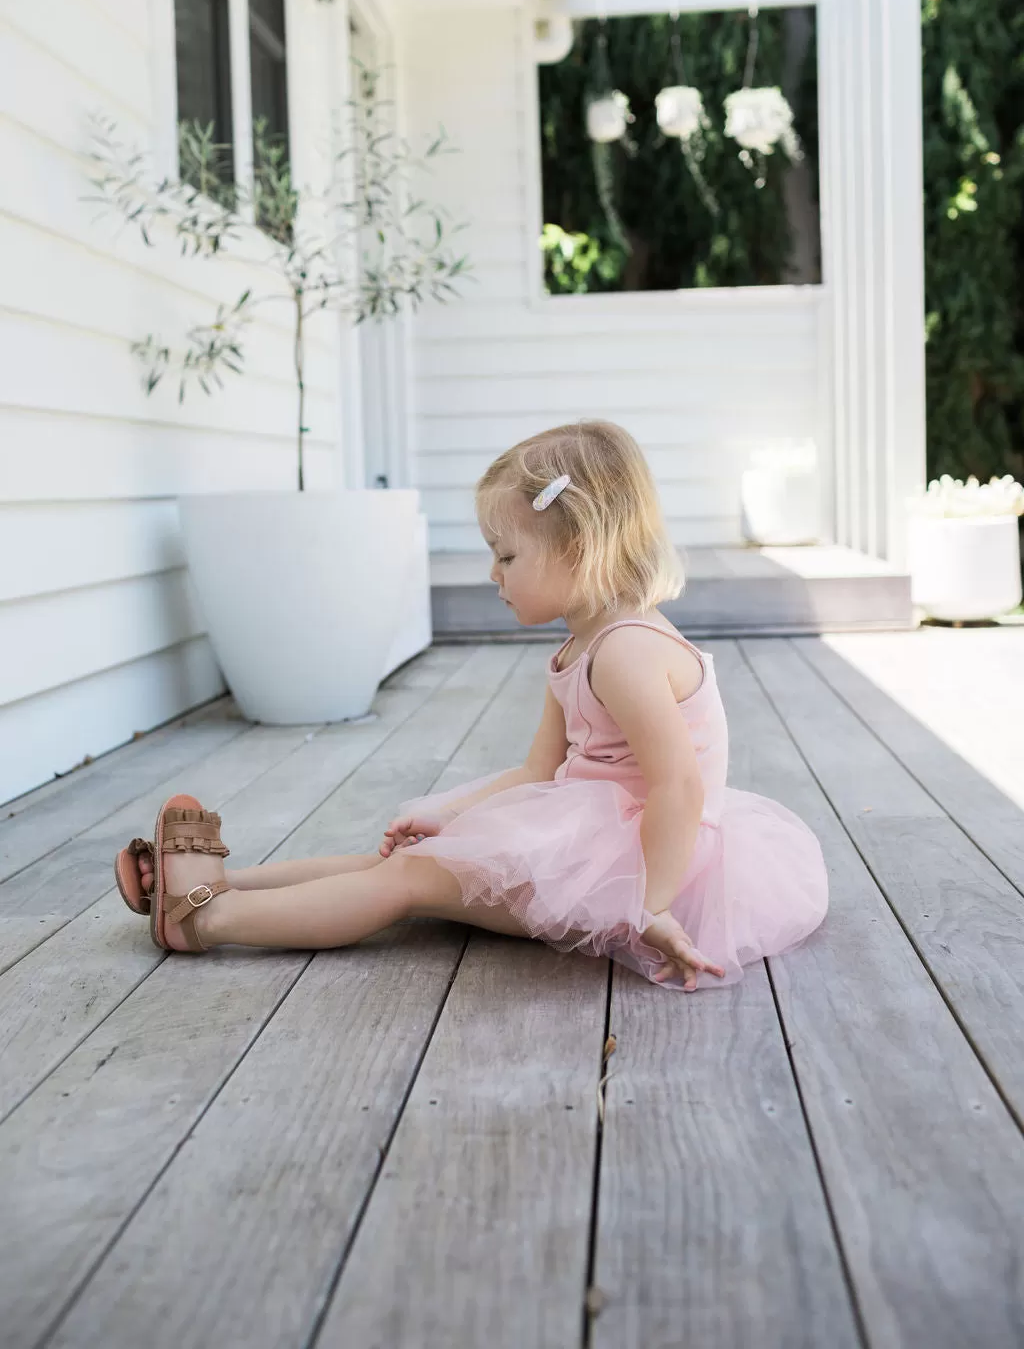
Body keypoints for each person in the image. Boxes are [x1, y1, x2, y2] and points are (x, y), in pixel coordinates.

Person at [115, 420, 828, 991]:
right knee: (410, 860)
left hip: (644, 868)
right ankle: (217, 886)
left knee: (404, 881)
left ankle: (203, 921)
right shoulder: (580, 648)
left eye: (507, 556)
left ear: (578, 547)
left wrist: (655, 907)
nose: (493, 574)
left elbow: (679, 784)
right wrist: (449, 809)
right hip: (588, 843)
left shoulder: (628, 652)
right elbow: (538, 773)